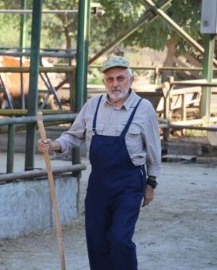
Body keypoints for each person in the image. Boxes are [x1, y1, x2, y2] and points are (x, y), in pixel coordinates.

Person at [37, 56, 161, 270]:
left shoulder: (144, 108)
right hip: (99, 183)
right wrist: (55, 145)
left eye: (121, 78)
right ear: (104, 81)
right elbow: (73, 136)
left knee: (120, 238)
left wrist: (151, 184)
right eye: (110, 79)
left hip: (129, 183)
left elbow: (154, 150)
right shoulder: (92, 106)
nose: (115, 84)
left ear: (131, 80)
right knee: (97, 241)